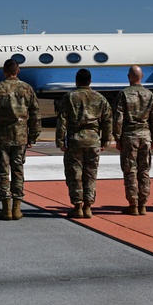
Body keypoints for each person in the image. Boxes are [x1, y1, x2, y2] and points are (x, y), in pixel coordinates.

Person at [0, 58, 41, 220]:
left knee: (3, 171)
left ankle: (6, 207)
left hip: (2, 137)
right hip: (21, 137)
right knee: (18, 170)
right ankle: (17, 207)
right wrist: (33, 135)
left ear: (4, 71)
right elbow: (35, 114)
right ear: (18, 71)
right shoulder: (27, 88)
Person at [55, 68, 112, 219]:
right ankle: (88, 206)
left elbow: (62, 120)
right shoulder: (100, 98)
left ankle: (78, 205)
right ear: (90, 81)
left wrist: (60, 141)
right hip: (93, 140)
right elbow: (107, 121)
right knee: (91, 174)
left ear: (77, 81)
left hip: (75, 140)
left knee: (75, 174)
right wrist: (106, 140)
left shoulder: (70, 97)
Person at [113, 66, 153, 215]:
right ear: (142, 76)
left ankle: (133, 204)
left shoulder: (123, 94)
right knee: (144, 171)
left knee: (130, 171)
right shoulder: (150, 95)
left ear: (129, 77)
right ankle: (143, 204)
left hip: (129, 136)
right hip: (145, 136)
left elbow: (118, 119)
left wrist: (117, 137)